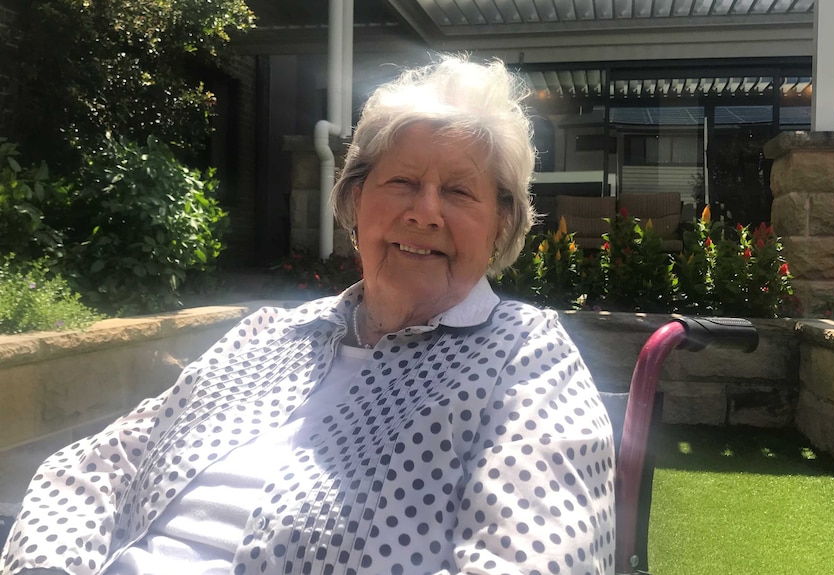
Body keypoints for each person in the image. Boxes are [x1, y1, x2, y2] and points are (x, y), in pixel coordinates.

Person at [1, 55, 615, 575]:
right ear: (354, 200)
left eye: (459, 191)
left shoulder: (524, 356)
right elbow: (96, 466)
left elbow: (534, 557)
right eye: (402, 182)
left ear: (502, 222)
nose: (425, 212)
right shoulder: (269, 332)